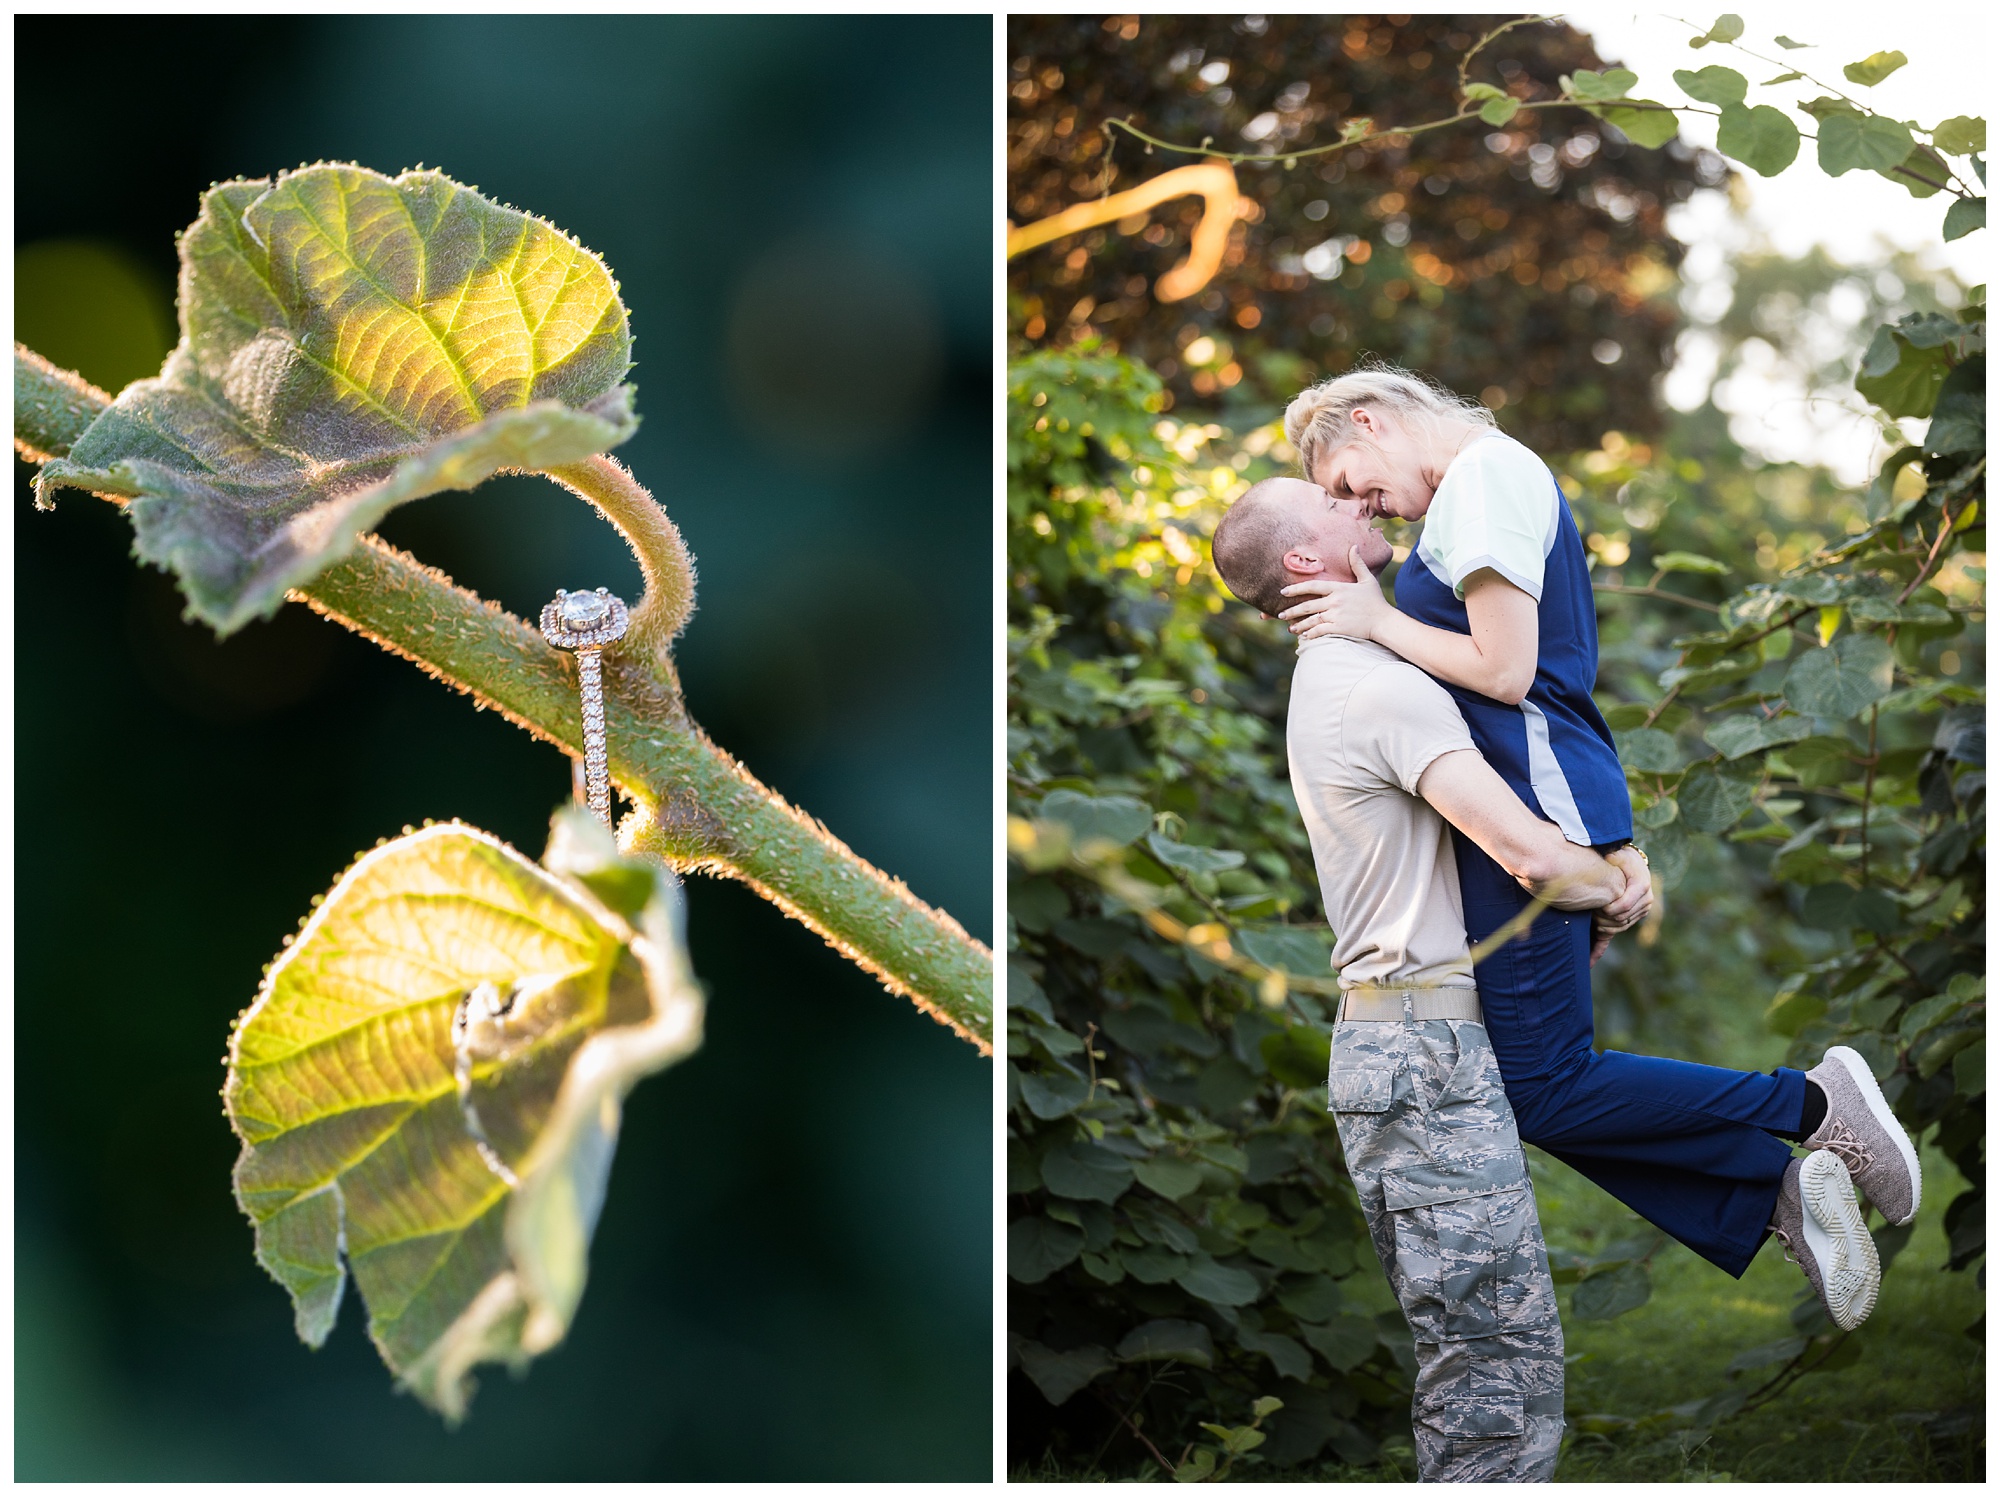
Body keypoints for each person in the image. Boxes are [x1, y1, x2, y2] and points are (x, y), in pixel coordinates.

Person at [1210, 480, 1883, 1480]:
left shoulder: (1360, 669)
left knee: (1494, 1357)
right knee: (1490, 1375)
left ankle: (1765, 1189)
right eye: (1328, 506)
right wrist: (1611, 885)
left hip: (1418, 1043)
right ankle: (1806, 1113)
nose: (1360, 507)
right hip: (1419, 1050)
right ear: (1305, 561)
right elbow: (1527, 855)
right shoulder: (1372, 687)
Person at [1263, 364, 1917, 1288]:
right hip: (1528, 804)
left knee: (1546, 1083)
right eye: (1338, 503)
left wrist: (1374, 617)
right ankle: (1771, 1184)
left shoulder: (1484, 478)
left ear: (1367, 421)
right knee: (1540, 1085)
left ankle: (1809, 1109)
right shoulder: (1469, 493)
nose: (1362, 509)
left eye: (1344, 481)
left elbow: (1505, 672)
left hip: (1534, 806)